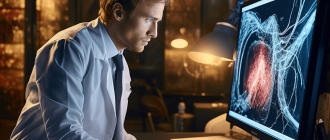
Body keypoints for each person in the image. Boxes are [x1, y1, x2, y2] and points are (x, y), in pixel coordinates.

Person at [10, 0, 168, 139]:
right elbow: (64, 134)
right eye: (148, 19)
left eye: (157, 22)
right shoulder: (69, 47)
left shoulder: (120, 63)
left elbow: (110, 133)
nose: (154, 32)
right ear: (118, 12)